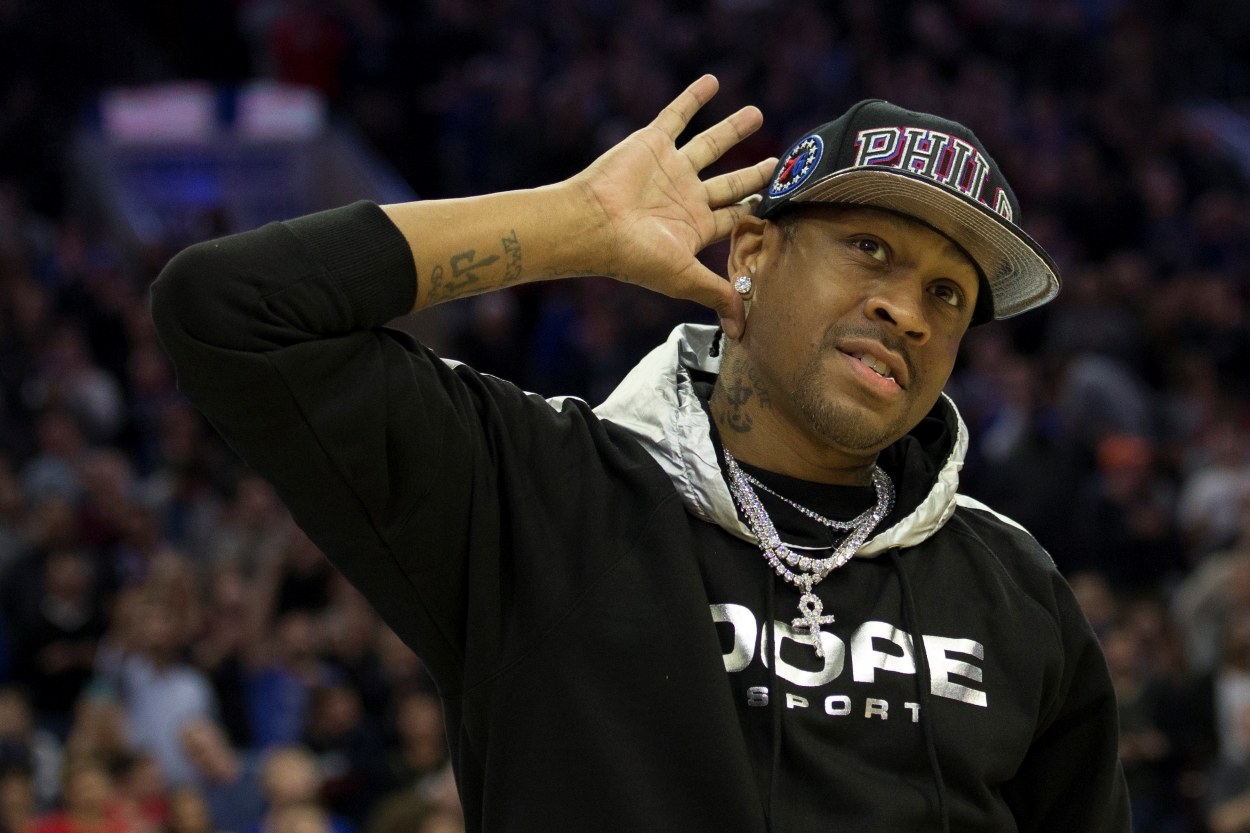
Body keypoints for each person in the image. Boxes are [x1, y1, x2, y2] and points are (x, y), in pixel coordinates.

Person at [152, 77, 1130, 831]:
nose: (905, 309)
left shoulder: (1015, 588)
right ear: (748, 250)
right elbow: (231, 314)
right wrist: (568, 226)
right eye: (868, 248)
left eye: (947, 294)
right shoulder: (532, 485)